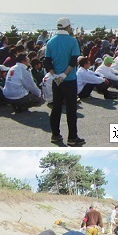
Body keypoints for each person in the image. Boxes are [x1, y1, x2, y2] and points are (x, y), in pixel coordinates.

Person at [44, 17, 85, 146]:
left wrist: (55, 75)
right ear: (67, 27)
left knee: (56, 108)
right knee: (71, 109)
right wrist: (64, 74)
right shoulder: (72, 41)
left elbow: (47, 61)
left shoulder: (50, 42)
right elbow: (74, 60)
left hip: (56, 80)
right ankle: (72, 137)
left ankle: (55, 135)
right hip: (69, 79)